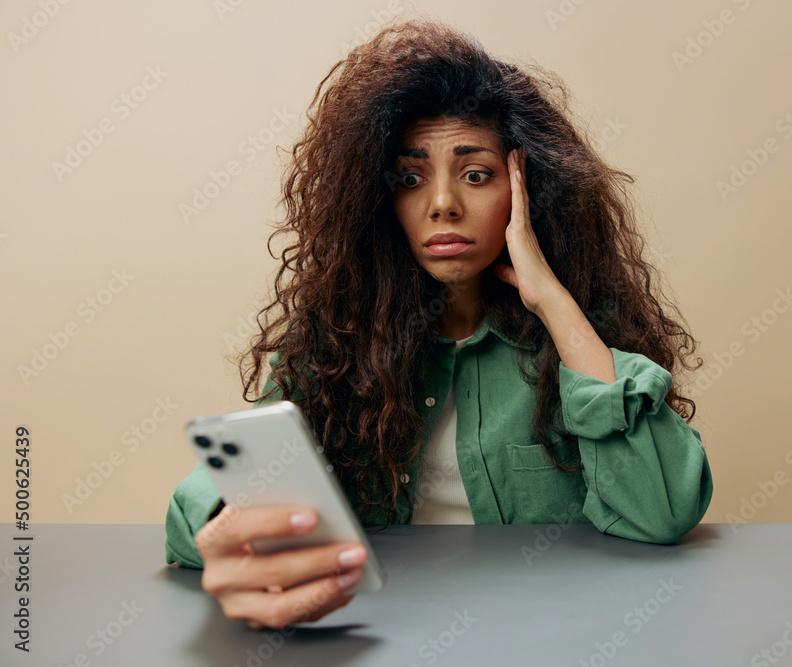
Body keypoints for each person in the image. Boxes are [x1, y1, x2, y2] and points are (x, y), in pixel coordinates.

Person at [164, 16, 713, 630]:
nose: (443, 203)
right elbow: (200, 523)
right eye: (409, 178)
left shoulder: (579, 343)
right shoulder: (332, 345)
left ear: (529, 190)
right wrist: (230, 532)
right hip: (380, 632)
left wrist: (555, 303)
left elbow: (662, 511)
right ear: (377, 200)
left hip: (555, 637)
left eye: (476, 175)